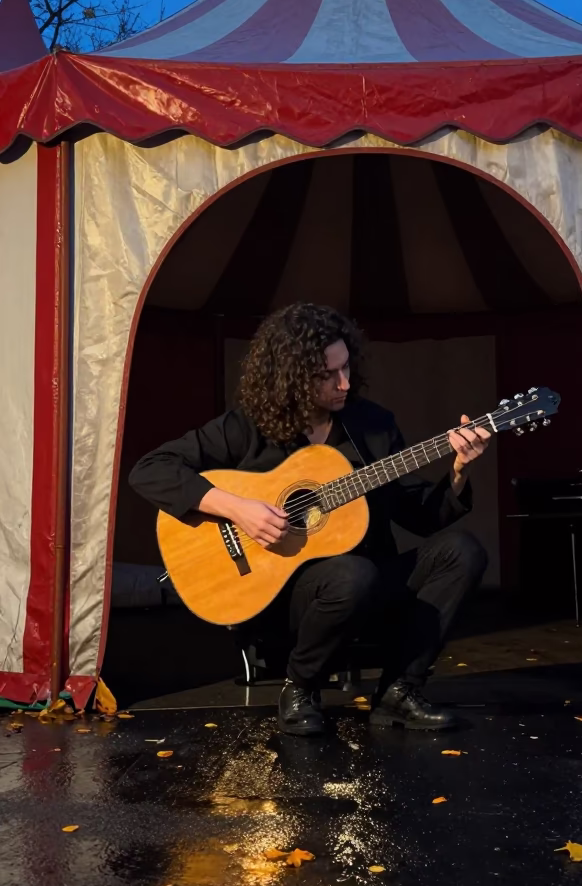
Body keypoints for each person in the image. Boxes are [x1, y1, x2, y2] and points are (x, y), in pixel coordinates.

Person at [129, 303, 491, 736]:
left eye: (346, 367)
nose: (345, 383)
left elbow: (420, 515)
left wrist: (458, 471)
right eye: (327, 375)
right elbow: (150, 469)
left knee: (462, 551)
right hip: (284, 600)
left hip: (369, 587)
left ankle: (399, 692)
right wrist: (238, 508)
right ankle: (300, 688)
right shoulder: (248, 427)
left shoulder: (372, 426)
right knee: (351, 575)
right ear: (292, 377)